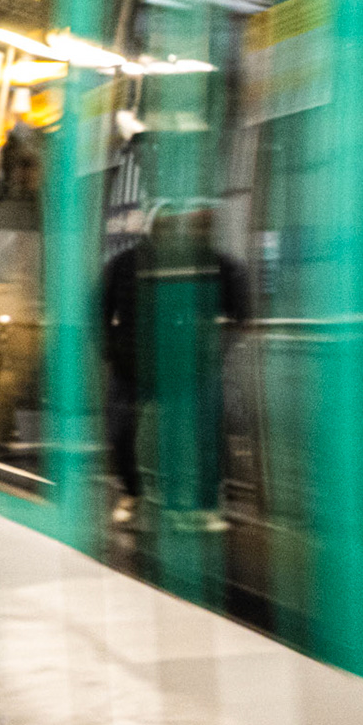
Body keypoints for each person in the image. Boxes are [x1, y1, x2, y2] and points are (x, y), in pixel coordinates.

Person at [101, 201, 249, 530]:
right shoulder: (125, 264)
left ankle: (188, 503)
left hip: (182, 366)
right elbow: (99, 310)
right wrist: (112, 351)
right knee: (123, 433)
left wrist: (212, 350)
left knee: (189, 435)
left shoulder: (208, 264)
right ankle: (133, 493)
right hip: (131, 367)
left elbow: (237, 312)